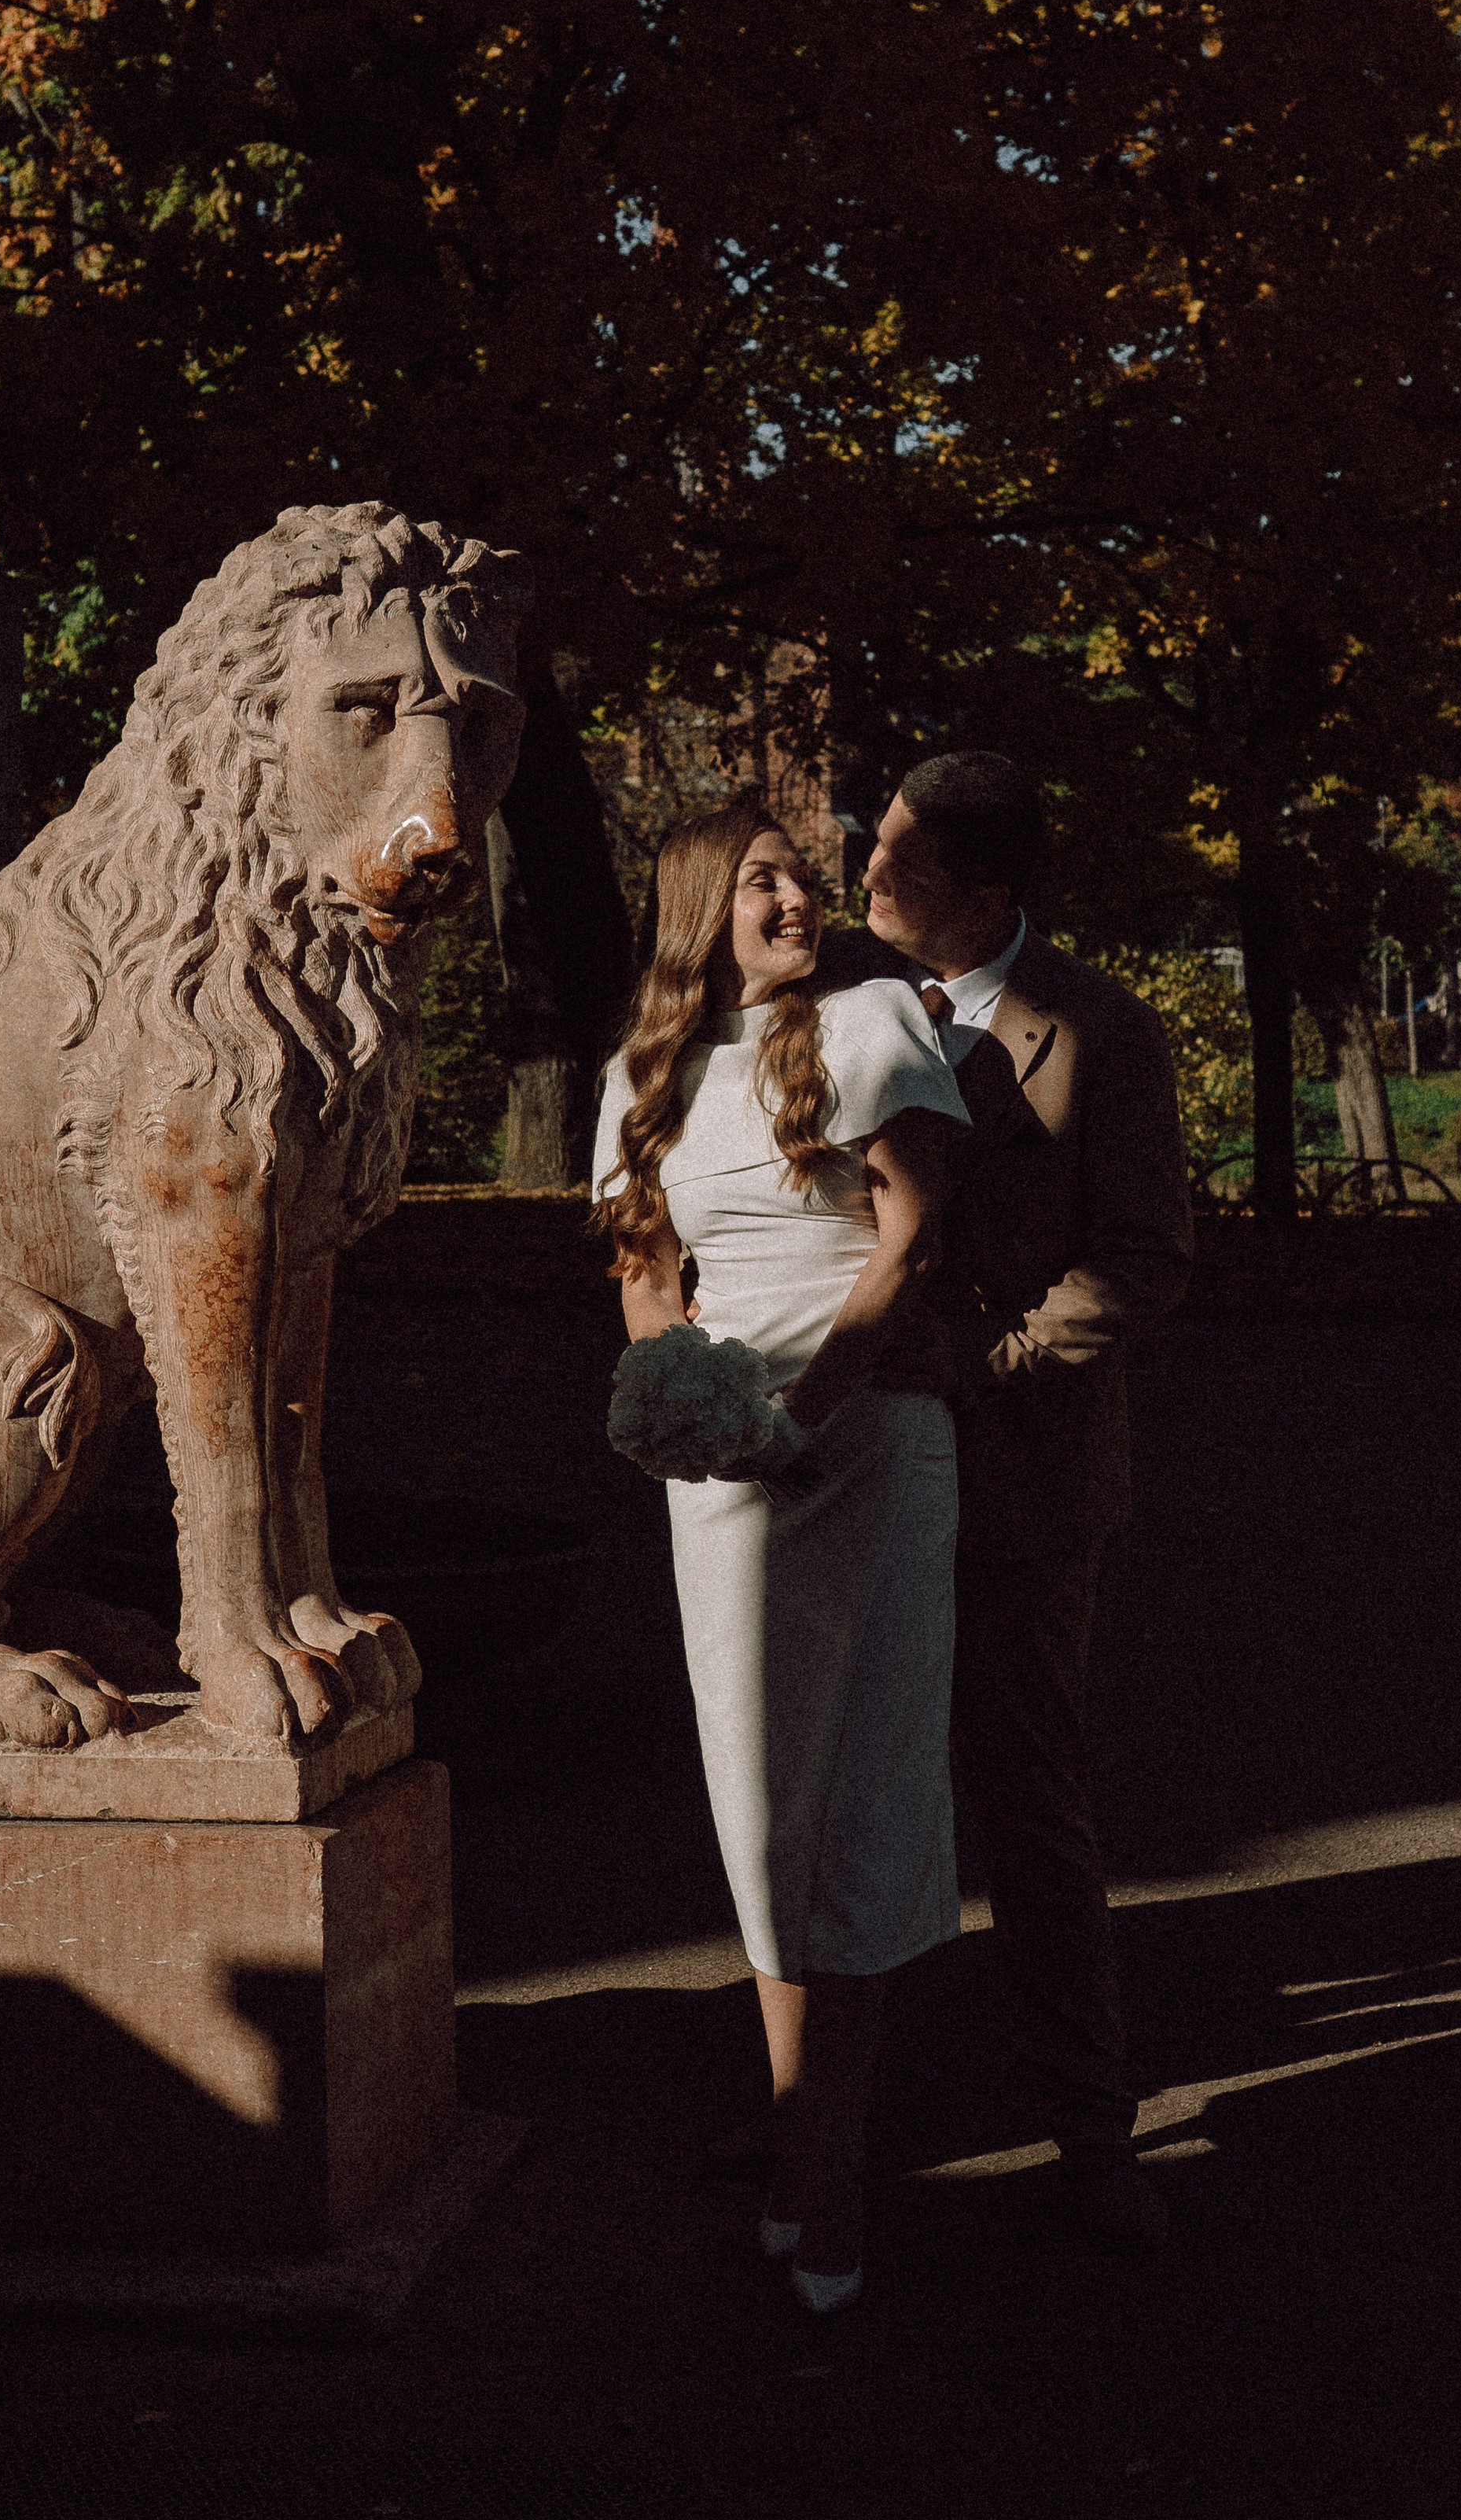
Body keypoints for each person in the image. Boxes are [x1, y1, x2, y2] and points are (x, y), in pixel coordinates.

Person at [592, 797, 971, 2312]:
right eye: (764, 878)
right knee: (759, 1812)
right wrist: (689, 1402)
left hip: (872, 1449)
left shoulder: (875, 1021)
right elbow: (641, 1266)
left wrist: (807, 1408)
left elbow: (914, 1237)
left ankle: (826, 2173)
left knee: (867, 1793)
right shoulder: (644, 1076)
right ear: (700, 905)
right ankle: (800, 2131)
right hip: (730, 1473)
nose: (802, 895)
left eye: (804, 876)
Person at [855, 749, 1194, 2249]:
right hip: (855, 1466)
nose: (864, 879)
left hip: (1023, 1473)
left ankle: (1090, 2129)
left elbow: (1141, 1258)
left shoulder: (1102, 1031)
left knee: (1027, 1798)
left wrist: (983, 1367)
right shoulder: (835, 1012)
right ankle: (826, 2125)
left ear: (985, 896)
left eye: (896, 862)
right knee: (844, 1788)